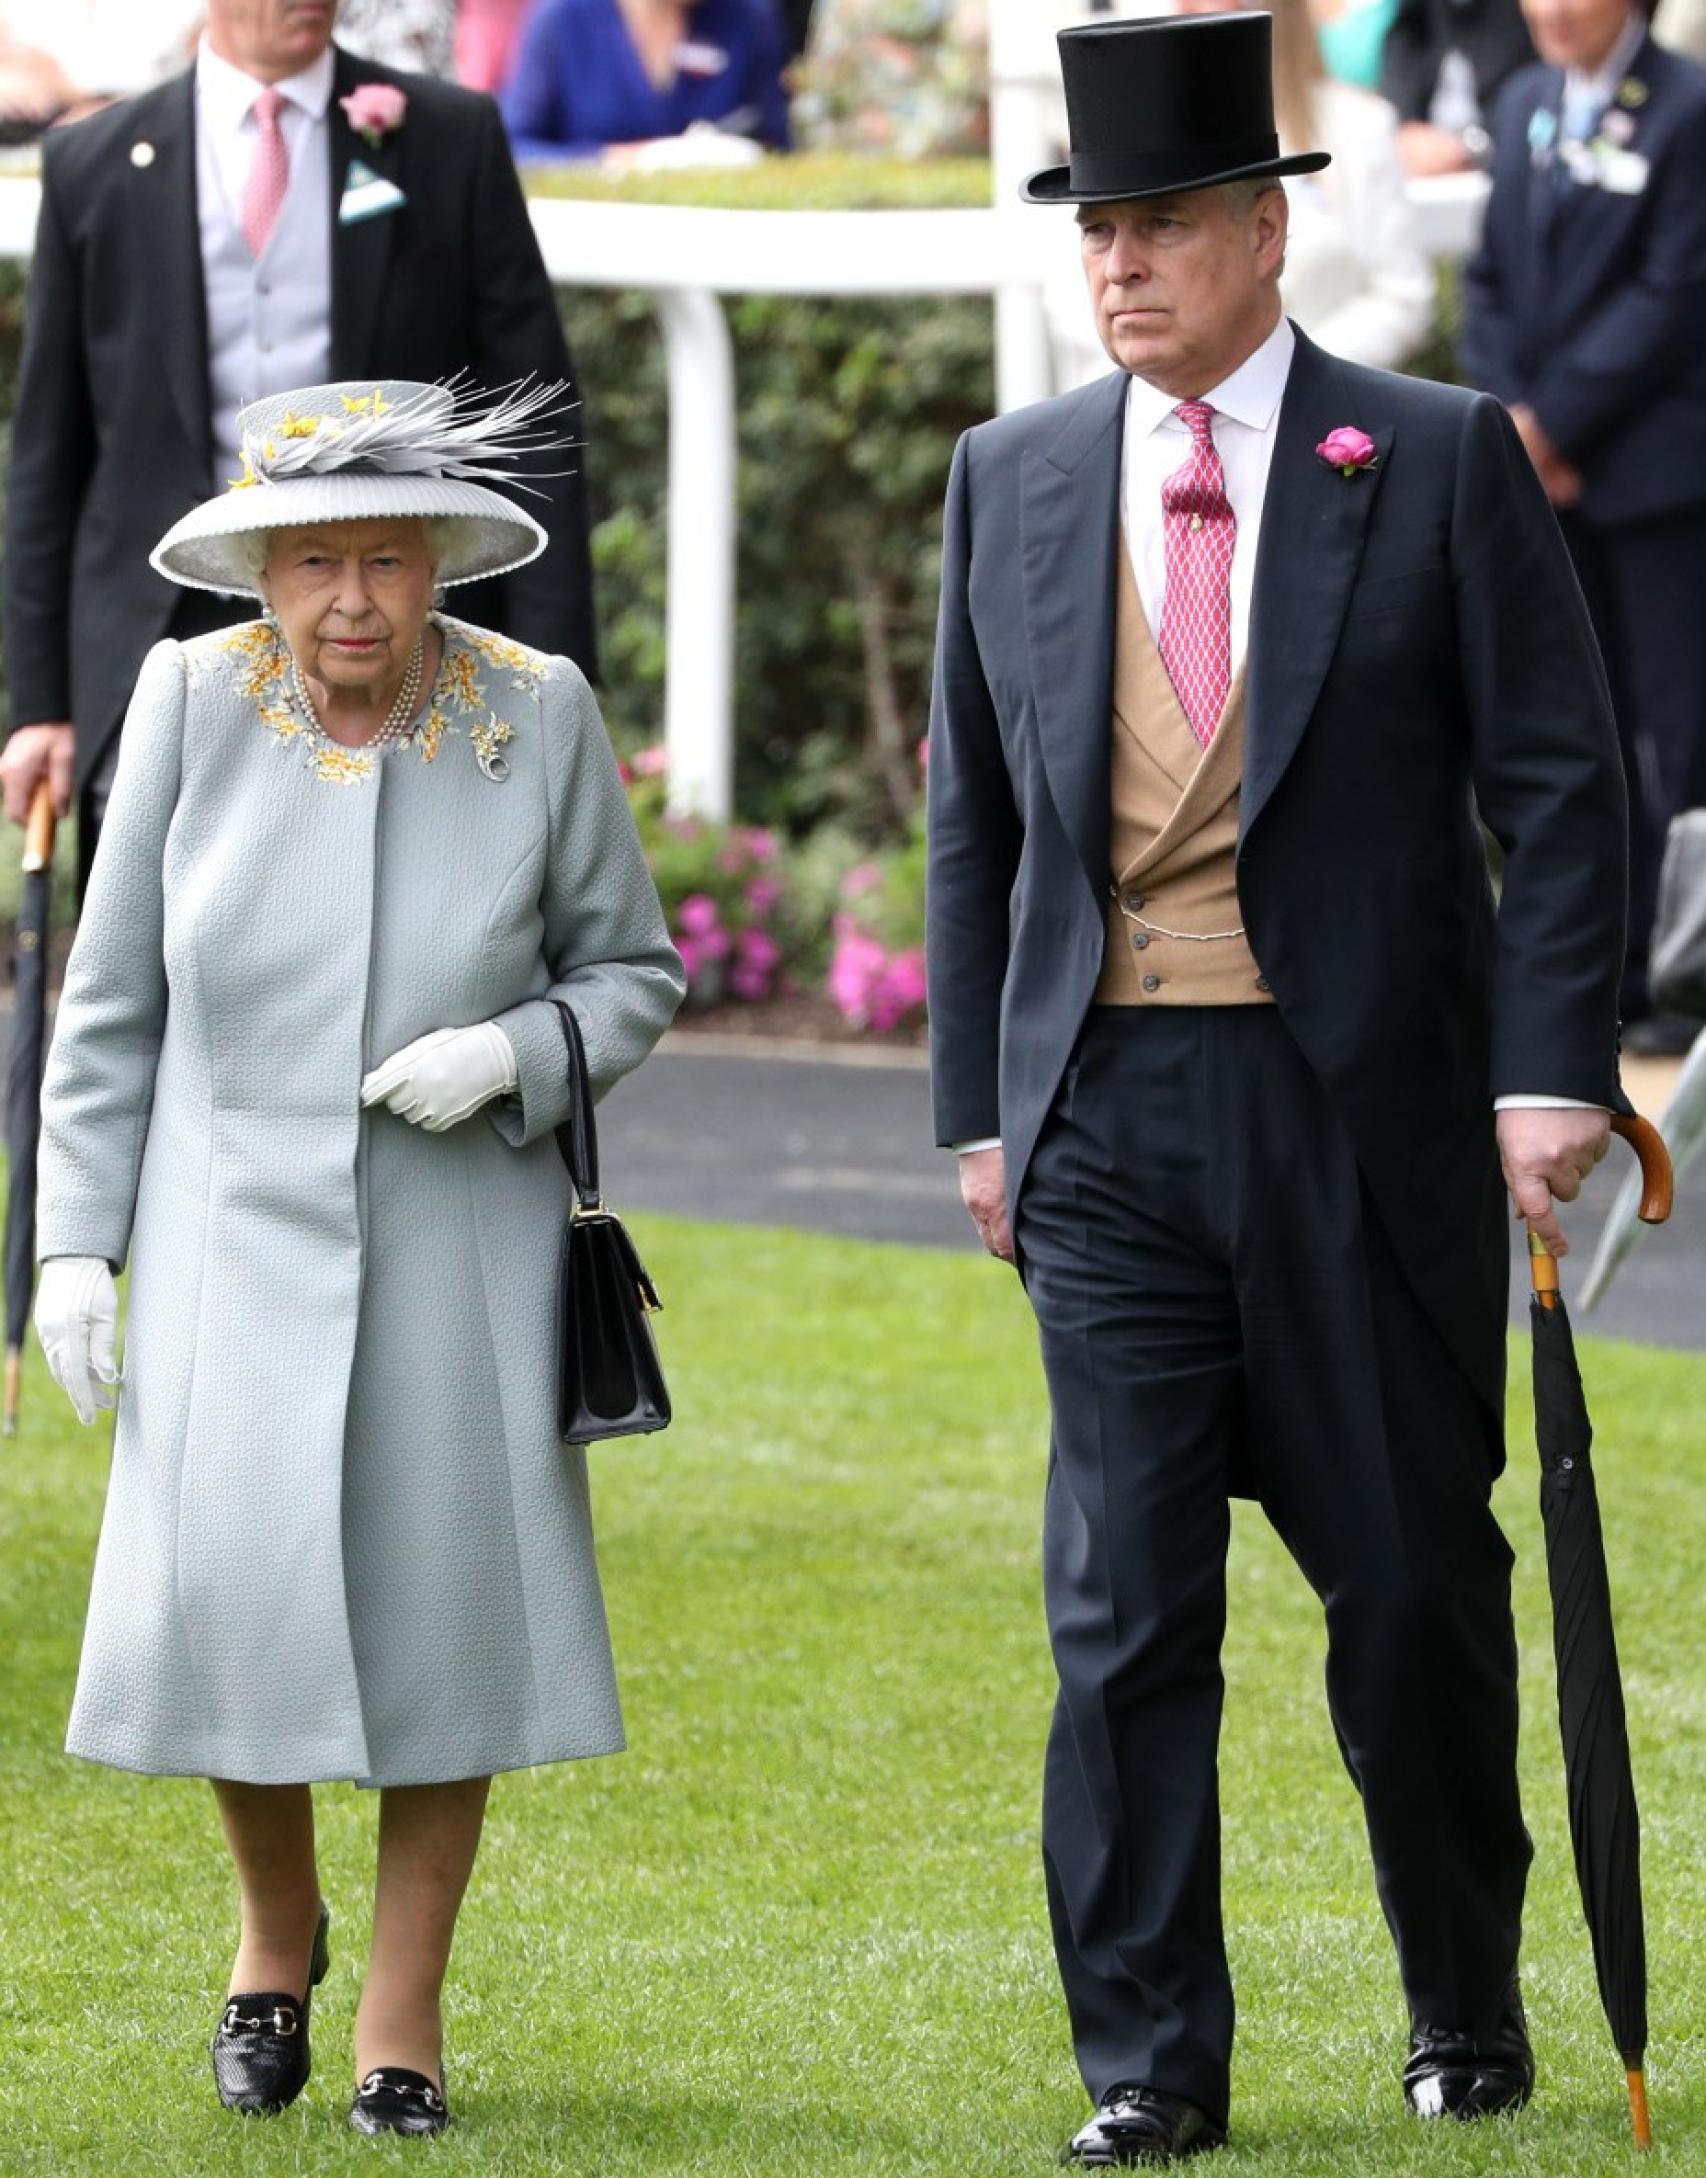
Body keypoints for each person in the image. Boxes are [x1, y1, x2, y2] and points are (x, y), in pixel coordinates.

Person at [928, 12, 1627, 2161]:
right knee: (1124, 1611)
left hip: (1366, 1125)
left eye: (1155, 228)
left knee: (1411, 1590)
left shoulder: (1427, 455)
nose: (1118, 268)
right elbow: (976, 820)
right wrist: (979, 1107)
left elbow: (1563, 793)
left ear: (1261, 232)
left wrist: (1544, 1081)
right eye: (1094, 232)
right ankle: (1147, 2060)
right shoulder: (1013, 477)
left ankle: (1457, 1997)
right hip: (1106, 1125)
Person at [30, 376, 684, 2138]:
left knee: (439, 1611)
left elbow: (633, 970)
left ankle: (403, 2007)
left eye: (386, 562)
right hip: (226, 1217)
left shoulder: (534, 712)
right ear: (260, 571)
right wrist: (73, 1247)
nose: (351, 605)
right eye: (313, 561)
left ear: (438, 564)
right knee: (226, 1590)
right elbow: (109, 1006)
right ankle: (270, 1934)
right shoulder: (185, 697)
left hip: (454, 1231)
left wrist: (519, 1052)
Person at [0, 0, 599, 891]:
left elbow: (536, 419)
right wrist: (40, 706)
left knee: (398, 942)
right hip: (153, 640)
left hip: (393, 625)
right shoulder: (95, 164)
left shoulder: (447, 136)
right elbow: (51, 450)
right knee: (155, 968)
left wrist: (559, 682)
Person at [1461, 0, 1706, 1054]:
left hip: (1656, 475)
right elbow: (1486, 283)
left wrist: (1554, 420)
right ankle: (1597, 971)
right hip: (1544, 479)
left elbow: (1673, 291)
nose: (1554, 10)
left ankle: (1680, 966)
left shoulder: (1687, 108)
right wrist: (1513, 422)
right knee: (1574, 726)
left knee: (1678, 730)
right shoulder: (1518, 102)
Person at [1048, 0, 1433, 384]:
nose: (1205, 10)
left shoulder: (1356, 126)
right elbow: (1072, 299)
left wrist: (1279, 367)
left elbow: (1402, 292)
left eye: (1163, 222)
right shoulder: (1120, 136)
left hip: (1331, 403)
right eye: (1098, 230)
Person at [502, 0, 792, 162]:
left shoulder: (748, 18)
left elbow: (778, 147)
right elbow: (514, 149)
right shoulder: (564, 17)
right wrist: (619, 161)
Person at [1381, 0, 1535, 170]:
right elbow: (1404, 35)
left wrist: (1471, 148)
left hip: (1499, 150)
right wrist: (1407, 123)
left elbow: (1535, 86)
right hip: (1427, 144)